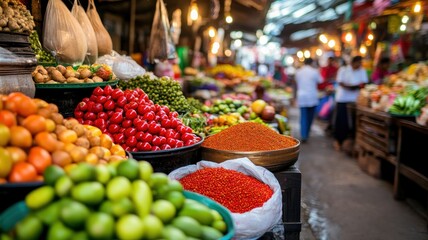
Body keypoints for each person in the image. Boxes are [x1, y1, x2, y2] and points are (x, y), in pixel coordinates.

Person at [334, 55, 368, 151]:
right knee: (341, 121)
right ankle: (338, 141)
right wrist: (351, 87)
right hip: (343, 98)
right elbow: (340, 82)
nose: (360, 65)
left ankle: (352, 142)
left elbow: (364, 83)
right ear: (353, 62)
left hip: (355, 100)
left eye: (361, 63)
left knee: (355, 121)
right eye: (358, 63)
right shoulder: (343, 70)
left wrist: (356, 86)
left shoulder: (362, 71)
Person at [295, 58, 322, 143]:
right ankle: (307, 132)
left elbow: (297, 82)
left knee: (303, 116)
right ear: (312, 63)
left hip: (302, 96)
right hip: (312, 96)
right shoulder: (315, 71)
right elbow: (321, 81)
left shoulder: (299, 72)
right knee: (310, 117)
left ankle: (304, 135)